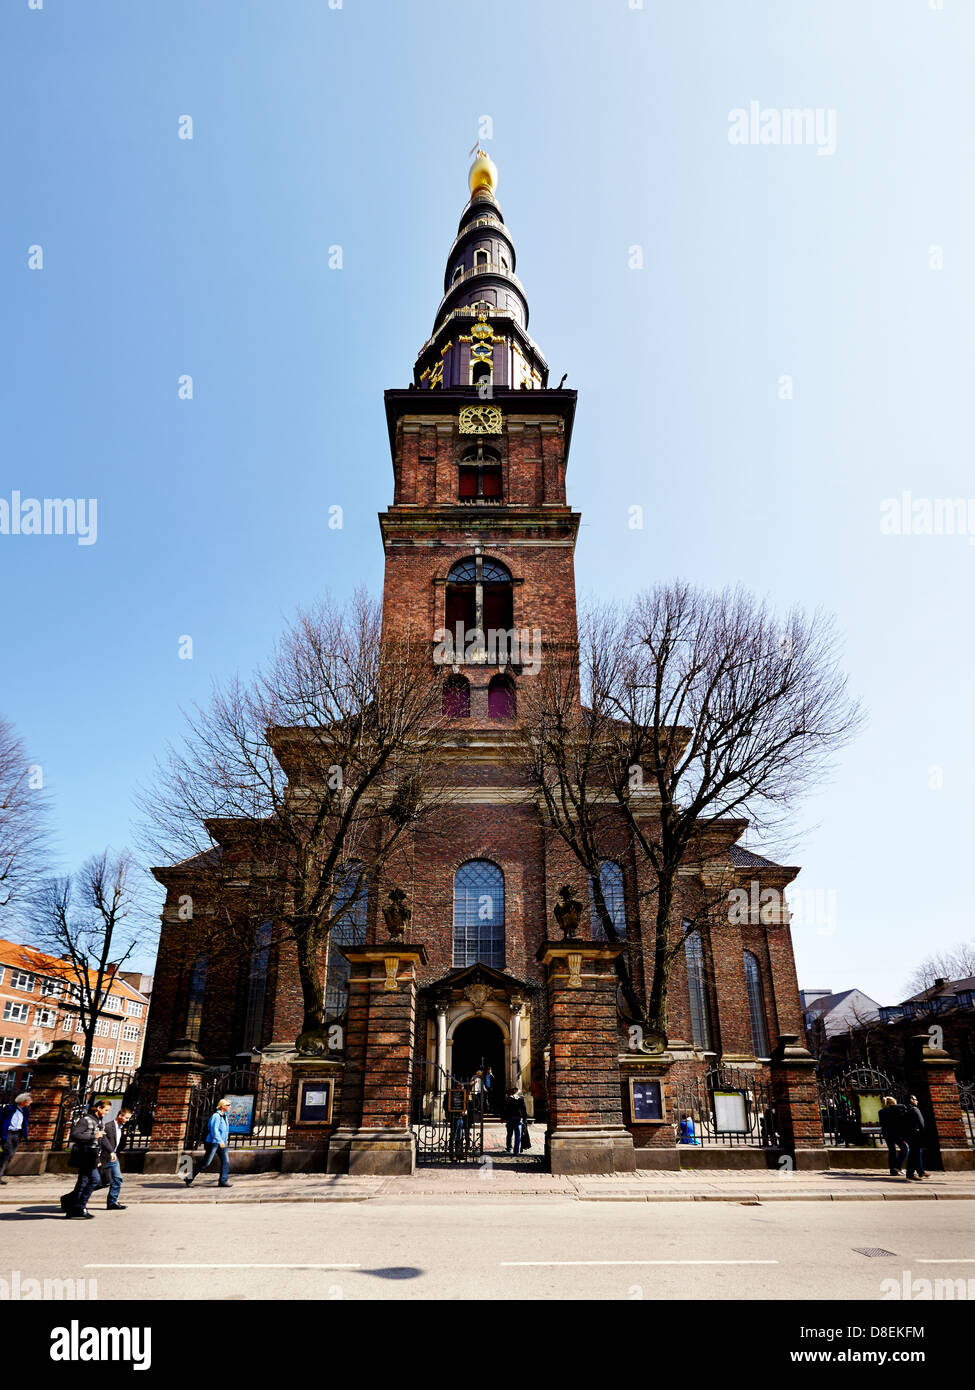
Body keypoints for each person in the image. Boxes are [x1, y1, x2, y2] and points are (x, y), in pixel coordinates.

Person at [64, 1100, 110, 1218]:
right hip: (85, 1154)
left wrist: (111, 1151)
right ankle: (79, 1207)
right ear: (99, 1108)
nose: (107, 1112)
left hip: (92, 1155)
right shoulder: (86, 1120)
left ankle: (75, 1208)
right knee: (94, 1180)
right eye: (106, 1110)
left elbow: (102, 1139)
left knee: (83, 1182)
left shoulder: (100, 1121)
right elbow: (74, 1134)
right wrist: (93, 1136)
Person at [185, 1097, 232, 1188]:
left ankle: (223, 1181)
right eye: (228, 1105)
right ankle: (188, 1178)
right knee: (206, 1162)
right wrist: (219, 1141)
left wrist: (224, 1141)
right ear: (222, 1106)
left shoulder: (225, 1116)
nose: (229, 1107)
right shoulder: (216, 1116)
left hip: (222, 1143)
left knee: (226, 1161)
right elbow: (214, 1130)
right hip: (213, 1143)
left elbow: (224, 1130)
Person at [99, 1105, 131, 1210]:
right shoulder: (108, 1126)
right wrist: (110, 1151)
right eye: (126, 1118)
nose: (128, 1120)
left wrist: (116, 1152)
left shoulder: (121, 1128)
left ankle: (112, 1202)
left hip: (113, 1157)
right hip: (104, 1157)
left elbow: (120, 1142)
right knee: (99, 1182)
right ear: (120, 1116)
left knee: (117, 1179)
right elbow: (102, 1141)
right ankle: (73, 1198)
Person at [0, 1093, 31, 1183]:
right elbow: (1, 1120)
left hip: (17, 1135)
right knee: (7, 1154)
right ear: (22, 1101)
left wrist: (24, 1134)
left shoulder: (25, 1111)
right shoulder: (9, 1109)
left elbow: (25, 1123)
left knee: (10, 1155)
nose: (30, 1101)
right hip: (8, 1134)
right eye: (28, 1100)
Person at [878, 1096, 908, 1176]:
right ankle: (898, 1166)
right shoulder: (895, 1109)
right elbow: (902, 1107)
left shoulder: (881, 1111)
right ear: (892, 1103)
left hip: (886, 1133)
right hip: (896, 1133)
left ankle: (893, 1170)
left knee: (892, 1151)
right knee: (905, 1148)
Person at [902, 1095, 927, 1181]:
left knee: (914, 1153)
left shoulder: (904, 1109)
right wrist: (923, 1134)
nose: (917, 1101)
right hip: (916, 1134)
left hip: (908, 1135)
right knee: (914, 1154)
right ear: (911, 1100)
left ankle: (920, 1171)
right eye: (916, 1099)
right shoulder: (914, 1109)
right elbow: (921, 1122)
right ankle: (910, 1174)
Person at [503, 1087, 528, 1155]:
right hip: (518, 1119)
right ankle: (516, 1151)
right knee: (517, 1135)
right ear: (517, 1092)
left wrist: (503, 1118)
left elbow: (505, 1109)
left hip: (510, 1118)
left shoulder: (508, 1099)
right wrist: (525, 1118)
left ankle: (509, 1148)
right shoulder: (521, 1099)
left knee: (509, 1134)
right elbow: (523, 1110)